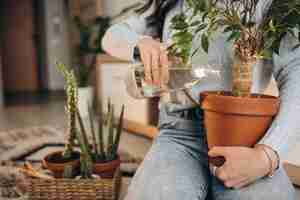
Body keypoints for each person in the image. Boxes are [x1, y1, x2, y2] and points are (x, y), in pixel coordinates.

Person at [102, 0, 298, 199]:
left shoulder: (270, 5)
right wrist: (139, 43)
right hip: (180, 132)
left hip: (246, 138)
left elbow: (295, 72)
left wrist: (266, 156)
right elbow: (112, 36)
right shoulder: (171, 3)